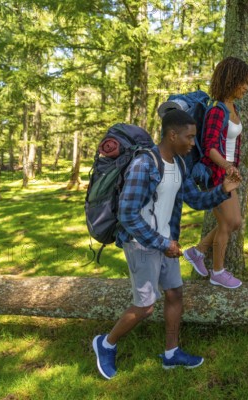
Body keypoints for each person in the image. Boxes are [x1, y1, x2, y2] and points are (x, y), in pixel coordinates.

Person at [92, 109, 240, 380]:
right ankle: (106, 343)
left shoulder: (180, 165)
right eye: (190, 137)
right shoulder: (145, 164)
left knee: (174, 294)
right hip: (141, 244)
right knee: (146, 306)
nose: (193, 143)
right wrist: (162, 243)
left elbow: (195, 200)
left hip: (165, 243)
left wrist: (223, 189)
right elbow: (127, 214)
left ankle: (171, 354)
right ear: (172, 135)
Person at [183, 57, 248, 289]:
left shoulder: (235, 108)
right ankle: (218, 272)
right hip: (216, 173)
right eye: (243, 82)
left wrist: (233, 169)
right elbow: (210, 148)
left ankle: (198, 251)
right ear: (231, 80)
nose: (246, 87)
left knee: (232, 223)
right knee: (229, 223)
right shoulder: (217, 111)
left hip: (228, 172)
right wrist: (227, 168)